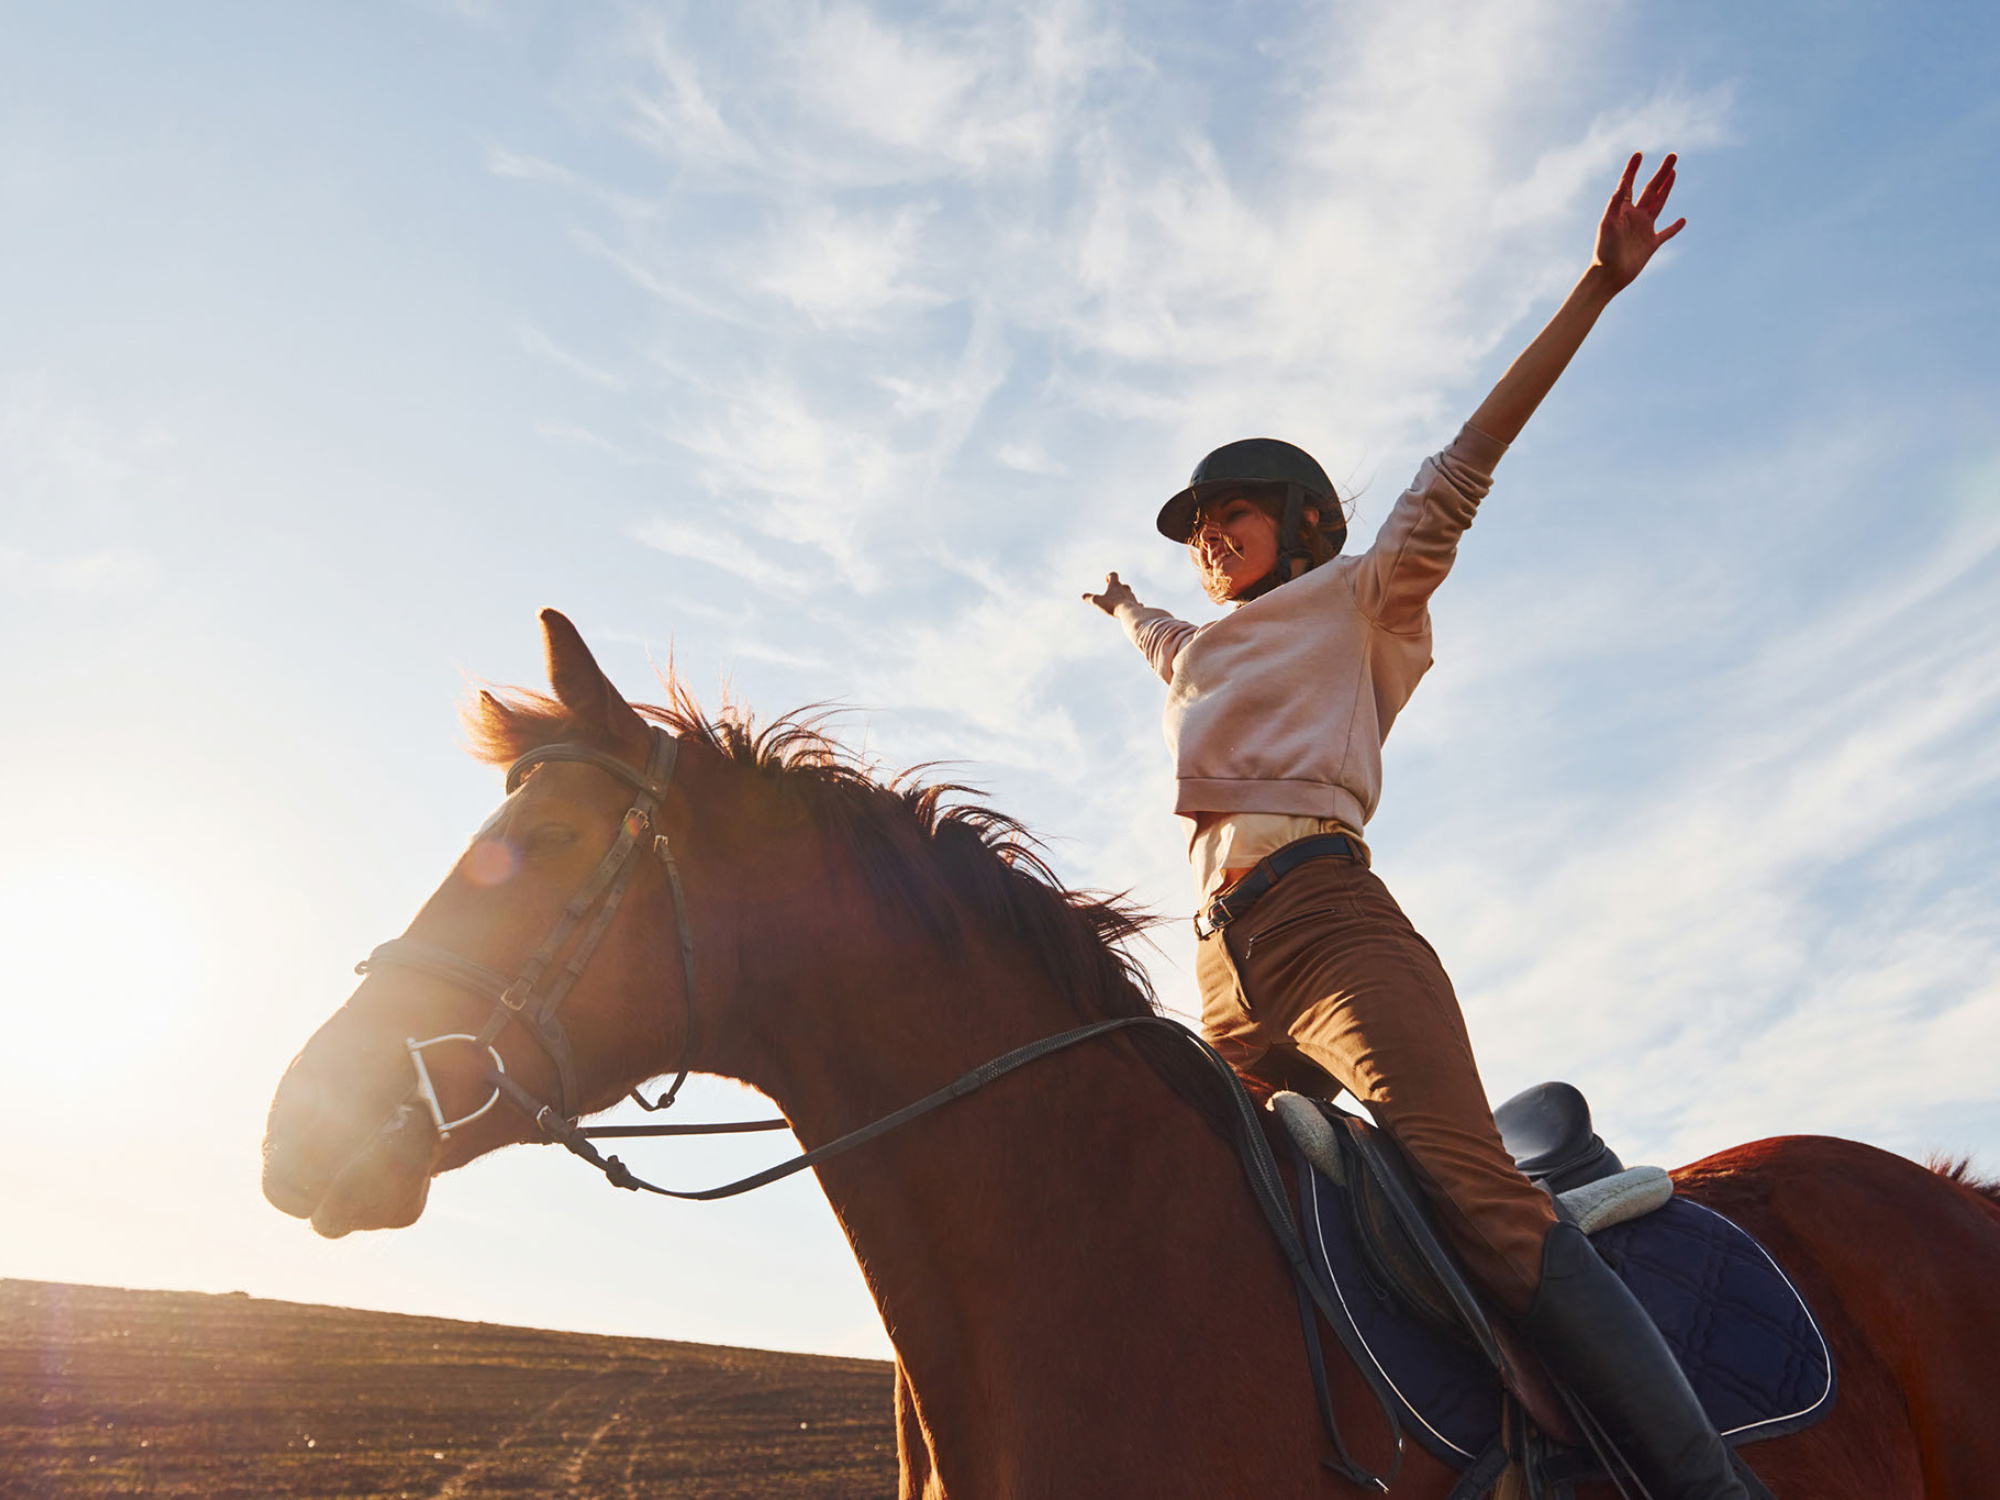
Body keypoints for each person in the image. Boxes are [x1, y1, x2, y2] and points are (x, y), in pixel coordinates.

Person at [1085, 154, 1759, 1500]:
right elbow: (1171, 645)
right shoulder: (1200, 651)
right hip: (1221, 965)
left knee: (1478, 1197)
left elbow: (1469, 459)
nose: (1209, 539)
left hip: (1333, 928)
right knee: (1201, 1204)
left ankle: (1705, 1488)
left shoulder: (1360, 593)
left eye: (1232, 515)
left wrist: (1596, 288)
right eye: (1197, 528)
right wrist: (1120, 608)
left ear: (1305, 522)